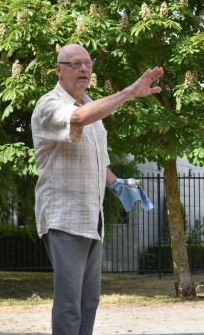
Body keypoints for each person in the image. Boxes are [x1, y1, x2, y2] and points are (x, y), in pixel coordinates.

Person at [31, 44, 163, 335]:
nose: (84, 69)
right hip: (64, 219)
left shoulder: (91, 105)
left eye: (88, 64)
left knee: (88, 301)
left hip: (92, 220)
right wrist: (129, 91)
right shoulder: (49, 105)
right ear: (59, 70)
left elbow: (98, 161)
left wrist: (117, 184)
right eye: (75, 64)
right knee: (70, 305)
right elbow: (77, 119)